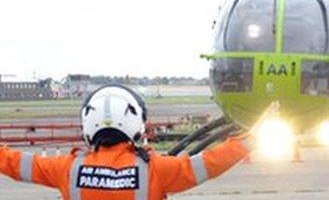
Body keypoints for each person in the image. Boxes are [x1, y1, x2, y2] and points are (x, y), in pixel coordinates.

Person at [0, 84, 262, 200]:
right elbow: (209, 164)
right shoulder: (155, 169)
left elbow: (14, 163)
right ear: (135, 122)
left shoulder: (68, 169)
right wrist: (251, 140)